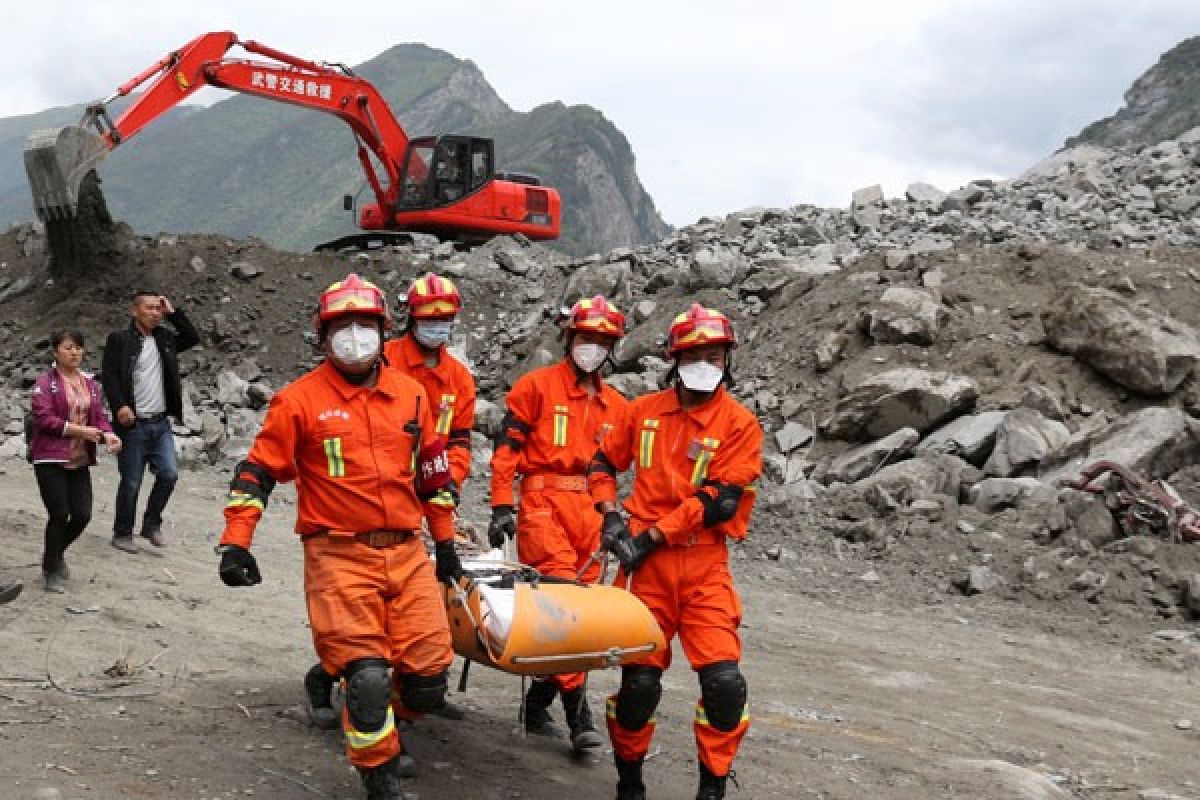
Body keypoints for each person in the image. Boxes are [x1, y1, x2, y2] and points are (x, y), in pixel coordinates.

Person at [216, 274, 463, 800]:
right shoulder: (299, 401)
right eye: (342, 326)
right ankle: (380, 777)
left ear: (383, 330)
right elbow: (257, 471)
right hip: (338, 554)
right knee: (370, 678)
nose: (354, 335)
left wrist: (444, 543)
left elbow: (434, 477)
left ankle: (342, 688)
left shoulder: (413, 396)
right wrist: (237, 541)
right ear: (323, 336)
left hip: (407, 552)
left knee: (427, 679)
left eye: (364, 326)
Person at [589, 304, 762, 800]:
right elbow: (601, 463)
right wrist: (611, 514)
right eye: (695, 354)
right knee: (639, 686)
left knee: (725, 685)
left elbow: (719, 501)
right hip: (646, 572)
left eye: (714, 354)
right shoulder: (641, 412)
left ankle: (712, 786)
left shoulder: (740, 425)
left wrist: (650, 537)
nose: (705, 363)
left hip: (703, 563)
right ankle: (629, 782)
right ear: (674, 358)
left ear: (728, 359)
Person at [303, 271, 476, 729]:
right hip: (369, 495)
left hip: (418, 493)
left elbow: (456, 439)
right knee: (364, 625)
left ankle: (410, 691)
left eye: (445, 318)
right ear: (408, 319)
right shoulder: (386, 360)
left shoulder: (458, 377)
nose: (436, 325)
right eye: (428, 317)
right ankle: (341, 684)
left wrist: (446, 483)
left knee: (415, 618)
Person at [487, 295, 628, 754]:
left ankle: (541, 699)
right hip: (543, 503)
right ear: (569, 338)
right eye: (585, 337)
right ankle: (579, 716)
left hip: (591, 510)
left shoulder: (617, 406)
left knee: (581, 618)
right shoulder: (536, 387)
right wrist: (500, 505)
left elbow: (620, 470)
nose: (592, 347)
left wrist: (615, 518)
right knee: (566, 604)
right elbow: (507, 451)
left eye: (601, 341)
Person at [101, 291, 199, 552]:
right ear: (135, 311)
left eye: (158, 309)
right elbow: (109, 376)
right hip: (133, 425)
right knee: (131, 481)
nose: (155, 313)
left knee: (169, 474)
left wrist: (174, 313)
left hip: (160, 422)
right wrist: (120, 405)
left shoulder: (165, 339)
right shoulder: (119, 340)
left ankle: (151, 524)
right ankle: (122, 533)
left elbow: (191, 337)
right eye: (149, 308)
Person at [30, 331, 121, 593]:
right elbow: (44, 419)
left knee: (82, 515)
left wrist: (109, 434)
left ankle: (55, 554)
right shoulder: (45, 384)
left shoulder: (89, 383)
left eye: (79, 348)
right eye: (68, 348)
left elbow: (99, 416)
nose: (75, 353)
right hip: (50, 457)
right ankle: (51, 569)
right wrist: (81, 431)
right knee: (59, 514)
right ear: (56, 352)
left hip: (79, 458)